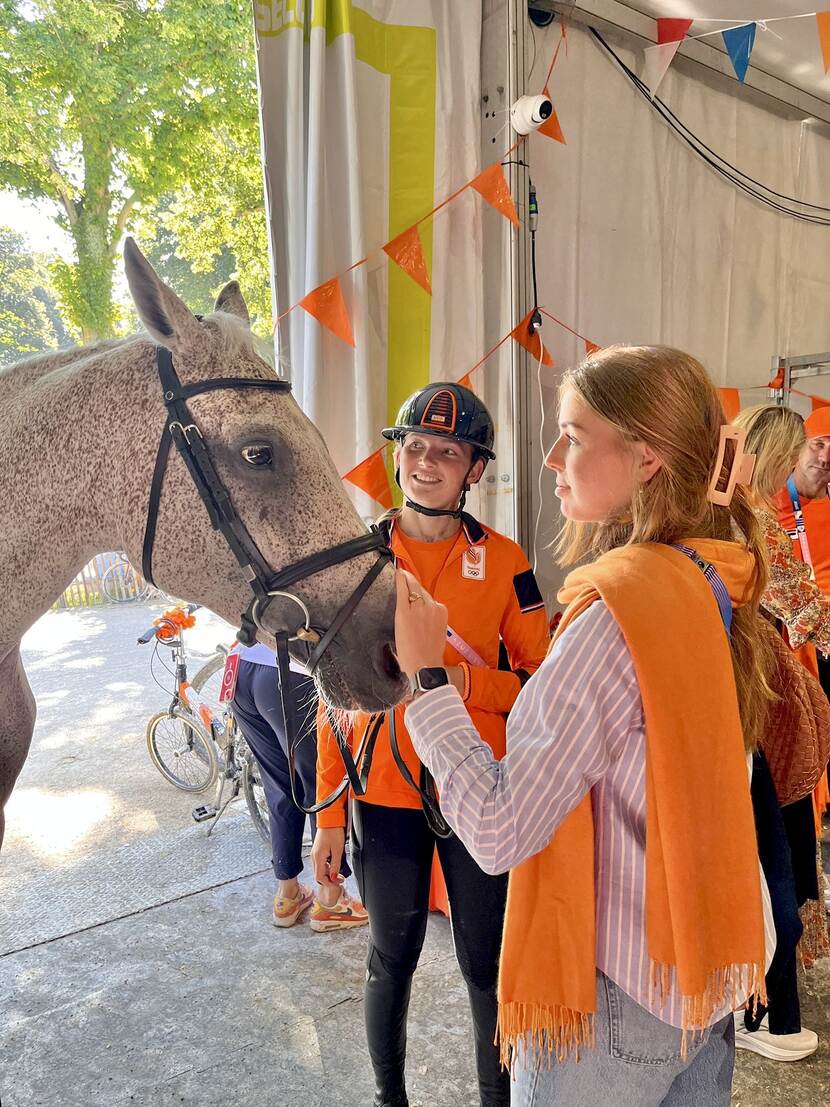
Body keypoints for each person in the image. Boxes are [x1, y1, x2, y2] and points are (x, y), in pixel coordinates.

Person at [396, 347, 777, 1106]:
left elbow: (502, 830)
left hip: (613, 997)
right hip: (699, 968)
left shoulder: (617, 613)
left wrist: (426, 681)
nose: (551, 457)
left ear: (646, 458)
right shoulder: (710, 574)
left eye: (573, 434)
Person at [312, 382, 550, 1107]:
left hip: (477, 789)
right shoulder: (357, 560)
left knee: (486, 964)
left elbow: (539, 685)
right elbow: (334, 692)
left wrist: (459, 684)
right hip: (380, 792)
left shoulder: (510, 562)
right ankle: (390, 1099)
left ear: (474, 470)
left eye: (447, 452)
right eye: (415, 447)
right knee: (393, 954)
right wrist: (328, 809)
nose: (426, 463)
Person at [729, 404, 829, 1062]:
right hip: (766, 718)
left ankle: (764, 1009)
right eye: (808, 448)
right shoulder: (760, 527)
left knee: (765, 863)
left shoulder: (729, 523)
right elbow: (814, 618)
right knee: (778, 861)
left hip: (743, 716)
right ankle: (771, 1011)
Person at [231, 642, 368, 930]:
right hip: (292, 673)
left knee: (278, 785)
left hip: (240, 668)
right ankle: (330, 900)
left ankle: (288, 894)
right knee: (321, 787)